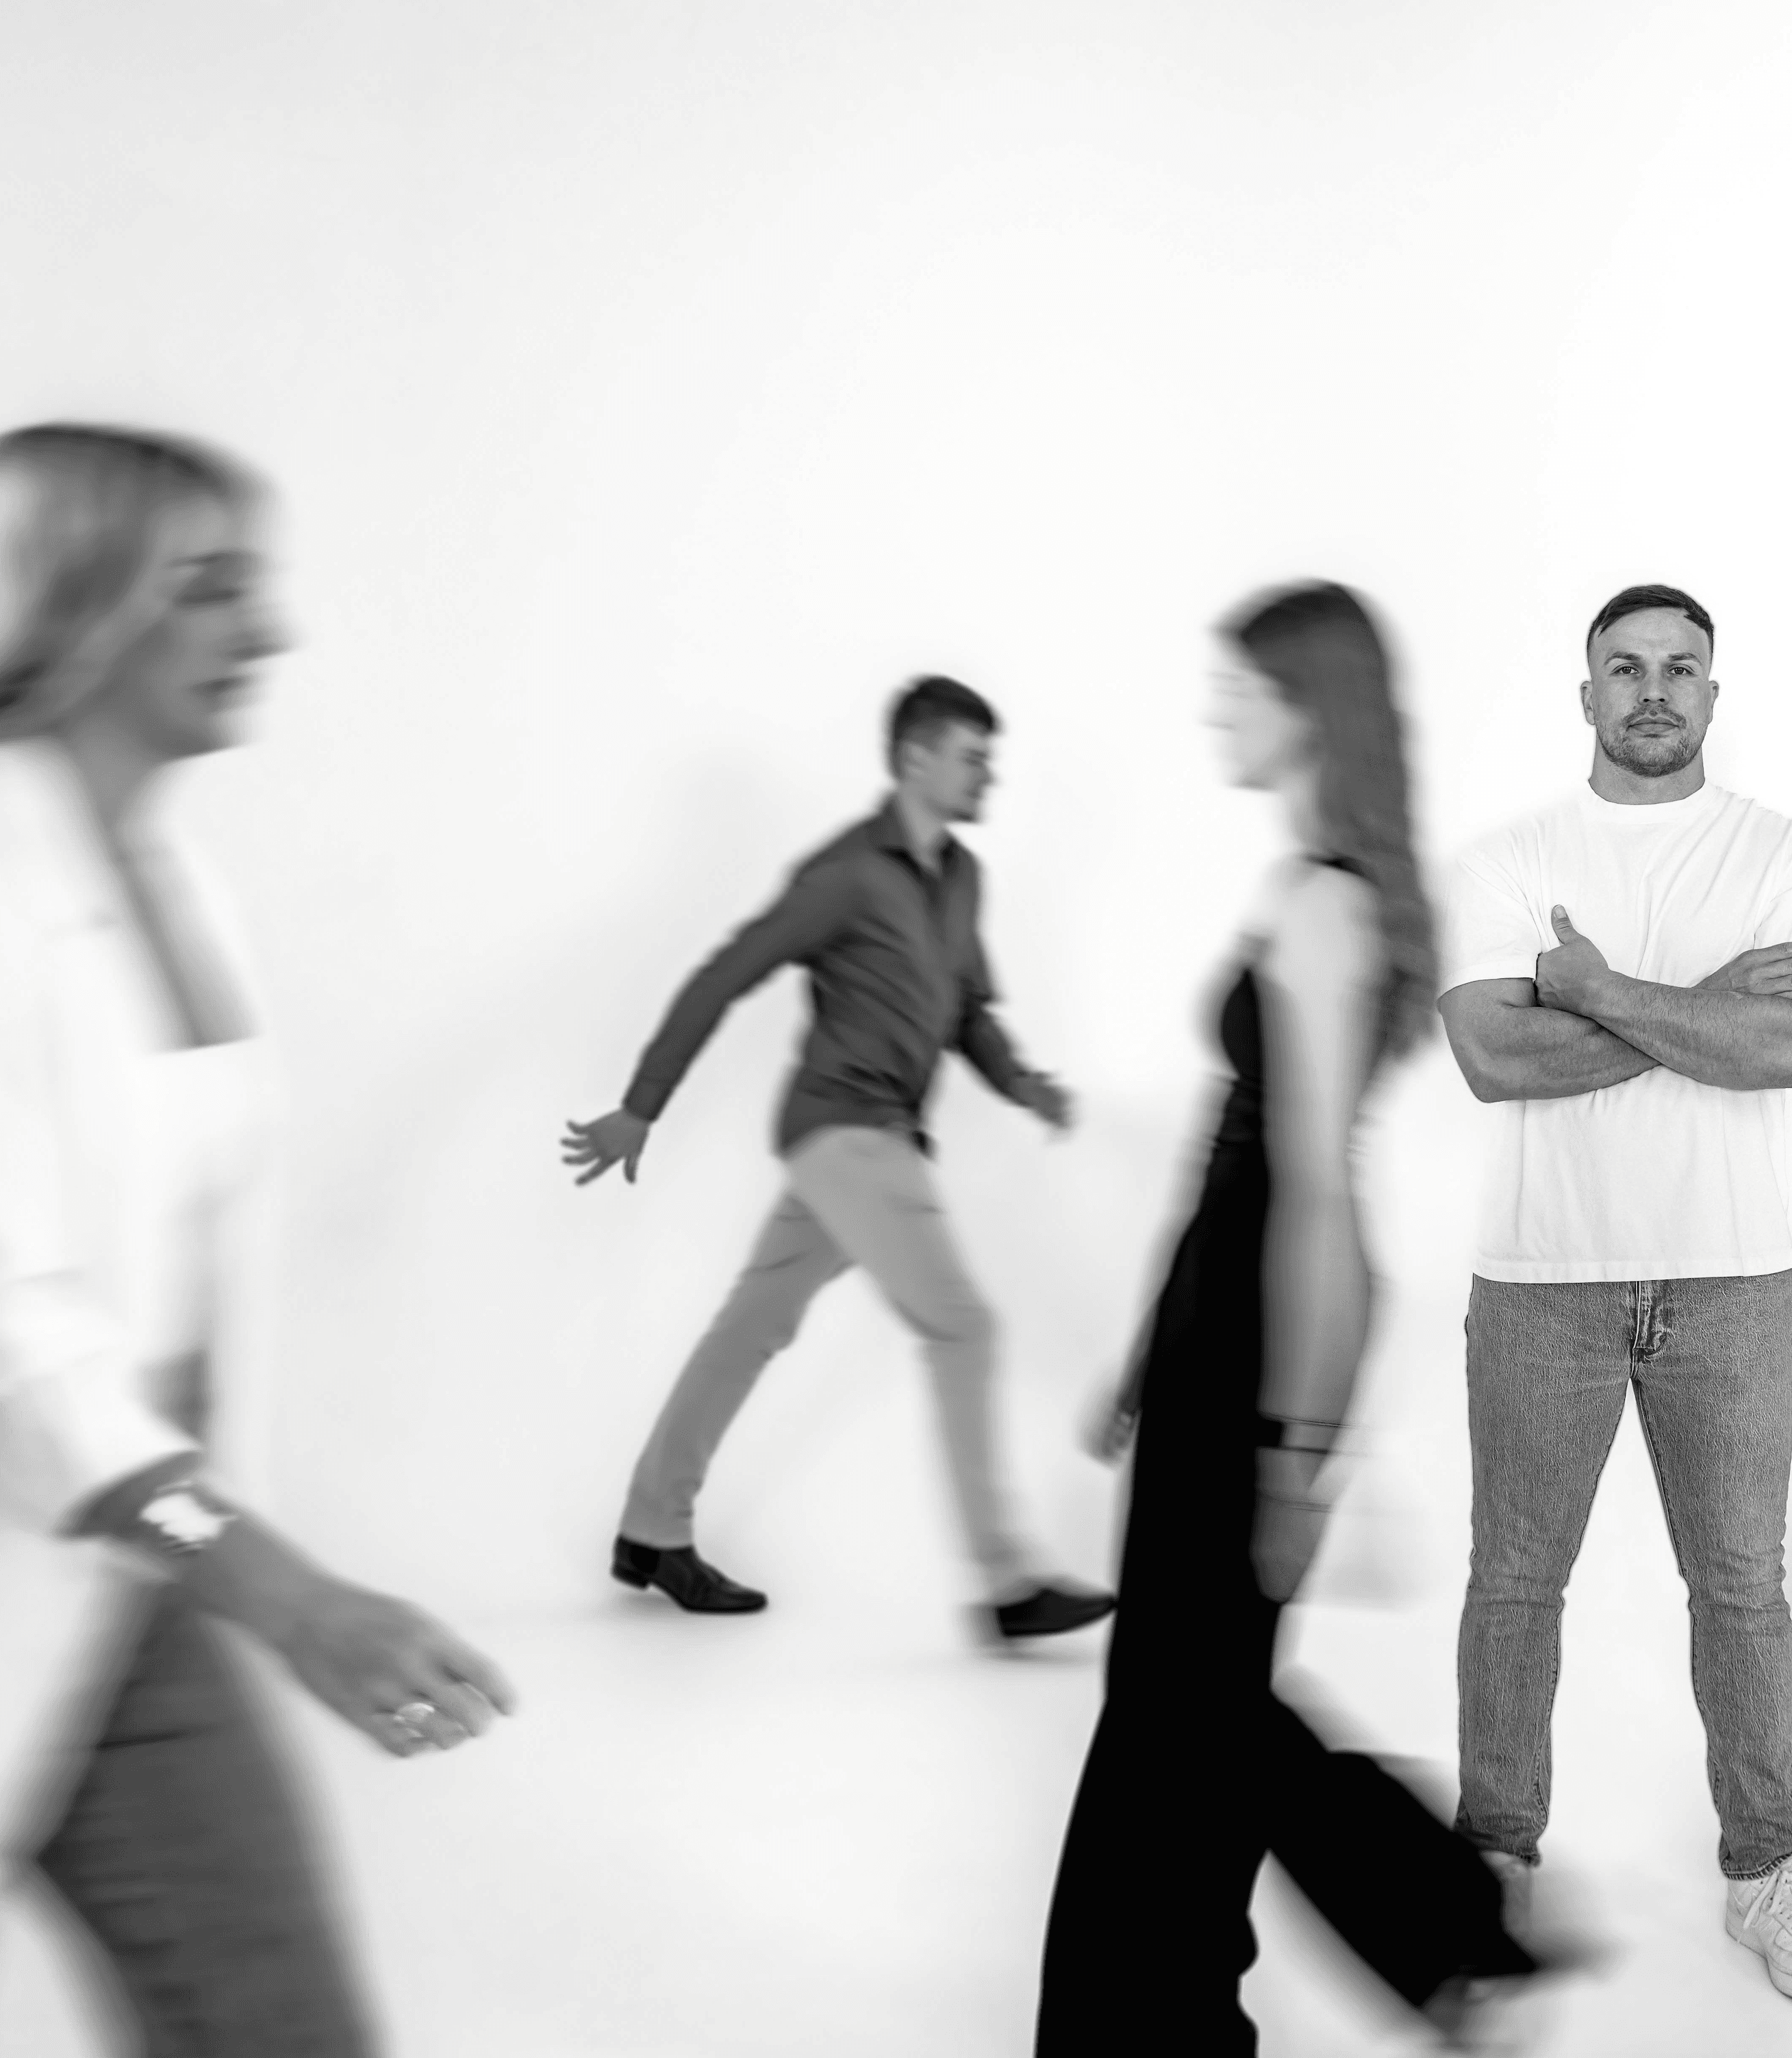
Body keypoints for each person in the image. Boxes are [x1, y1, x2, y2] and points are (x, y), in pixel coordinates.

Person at [0, 423, 517, 2054]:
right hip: (120, 1541)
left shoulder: (171, 879)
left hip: (129, 1582)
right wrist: (290, 1597)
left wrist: (223, 1560)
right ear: (70, 601)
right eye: (208, 588)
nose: (271, 629)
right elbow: (19, 1338)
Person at [1039, 584, 1545, 2056]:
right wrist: (1149, 1348)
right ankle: (1331, 1970)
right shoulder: (1309, 888)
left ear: (1314, 708)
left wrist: (1292, 1447)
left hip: (1259, 1340)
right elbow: (1233, 1149)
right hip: (1220, 1321)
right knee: (1187, 1703)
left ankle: (1442, 1932)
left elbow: (1316, 1194)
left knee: (1184, 1705)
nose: (1219, 712)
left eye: (1245, 689)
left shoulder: (1325, 906)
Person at [1439, 583, 1792, 2006]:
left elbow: (1791, 1051)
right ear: (1585, 694)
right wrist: (1707, 1003)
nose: (1653, 692)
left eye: (1680, 669)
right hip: (1539, 1281)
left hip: (1732, 1278)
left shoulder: (1784, 856)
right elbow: (1495, 1060)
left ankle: (1768, 1867)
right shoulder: (1508, 859)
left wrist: (1595, 989)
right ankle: (1492, 1857)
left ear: (1712, 694)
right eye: (1624, 668)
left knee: (1742, 1587)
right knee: (1516, 1583)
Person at [562, 675, 1113, 1642]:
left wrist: (1025, 1084)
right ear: (914, 758)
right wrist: (640, 1109)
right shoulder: (846, 874)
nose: (988, 776)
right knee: (964, 1327)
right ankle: (1006, 1580)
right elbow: (723, 976)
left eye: (991, 760)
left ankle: (651, 1529)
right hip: (847, 1132)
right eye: (972, 757)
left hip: (870, 1141)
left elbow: (967, 1013)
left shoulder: (962, 879)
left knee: (750, 1326)